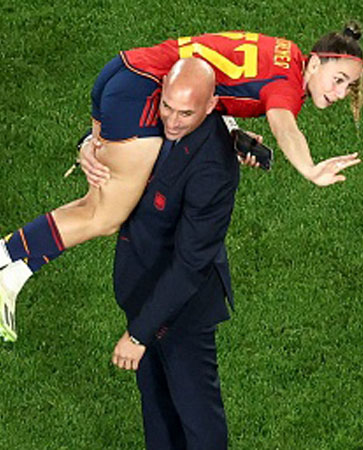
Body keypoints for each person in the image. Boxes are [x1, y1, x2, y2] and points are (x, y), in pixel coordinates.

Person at [0, 22, 363, 342]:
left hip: (125, 73)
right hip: (144, 92)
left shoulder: (284, 52)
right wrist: (309, 168)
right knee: (106, 216)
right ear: (315, 63)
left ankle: (13, 277)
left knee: (108, 200)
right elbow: (283, 125)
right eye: (338, 78)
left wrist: (231, 131)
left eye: (349, 86)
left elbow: (218, 82)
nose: (340, 92)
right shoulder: (286, 87)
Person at [110, 57, 238, 450]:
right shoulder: (154, 111)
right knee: (157, 408)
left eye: (186, 113)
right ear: (163, 87)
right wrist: (87, 146)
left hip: (183, 312)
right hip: (142, 288)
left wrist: (139, 334)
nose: (172, 121)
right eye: (168, 106)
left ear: (211, 105)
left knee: (197, 419)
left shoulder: (214, 166)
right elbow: (114, 132)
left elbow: (190, 264)